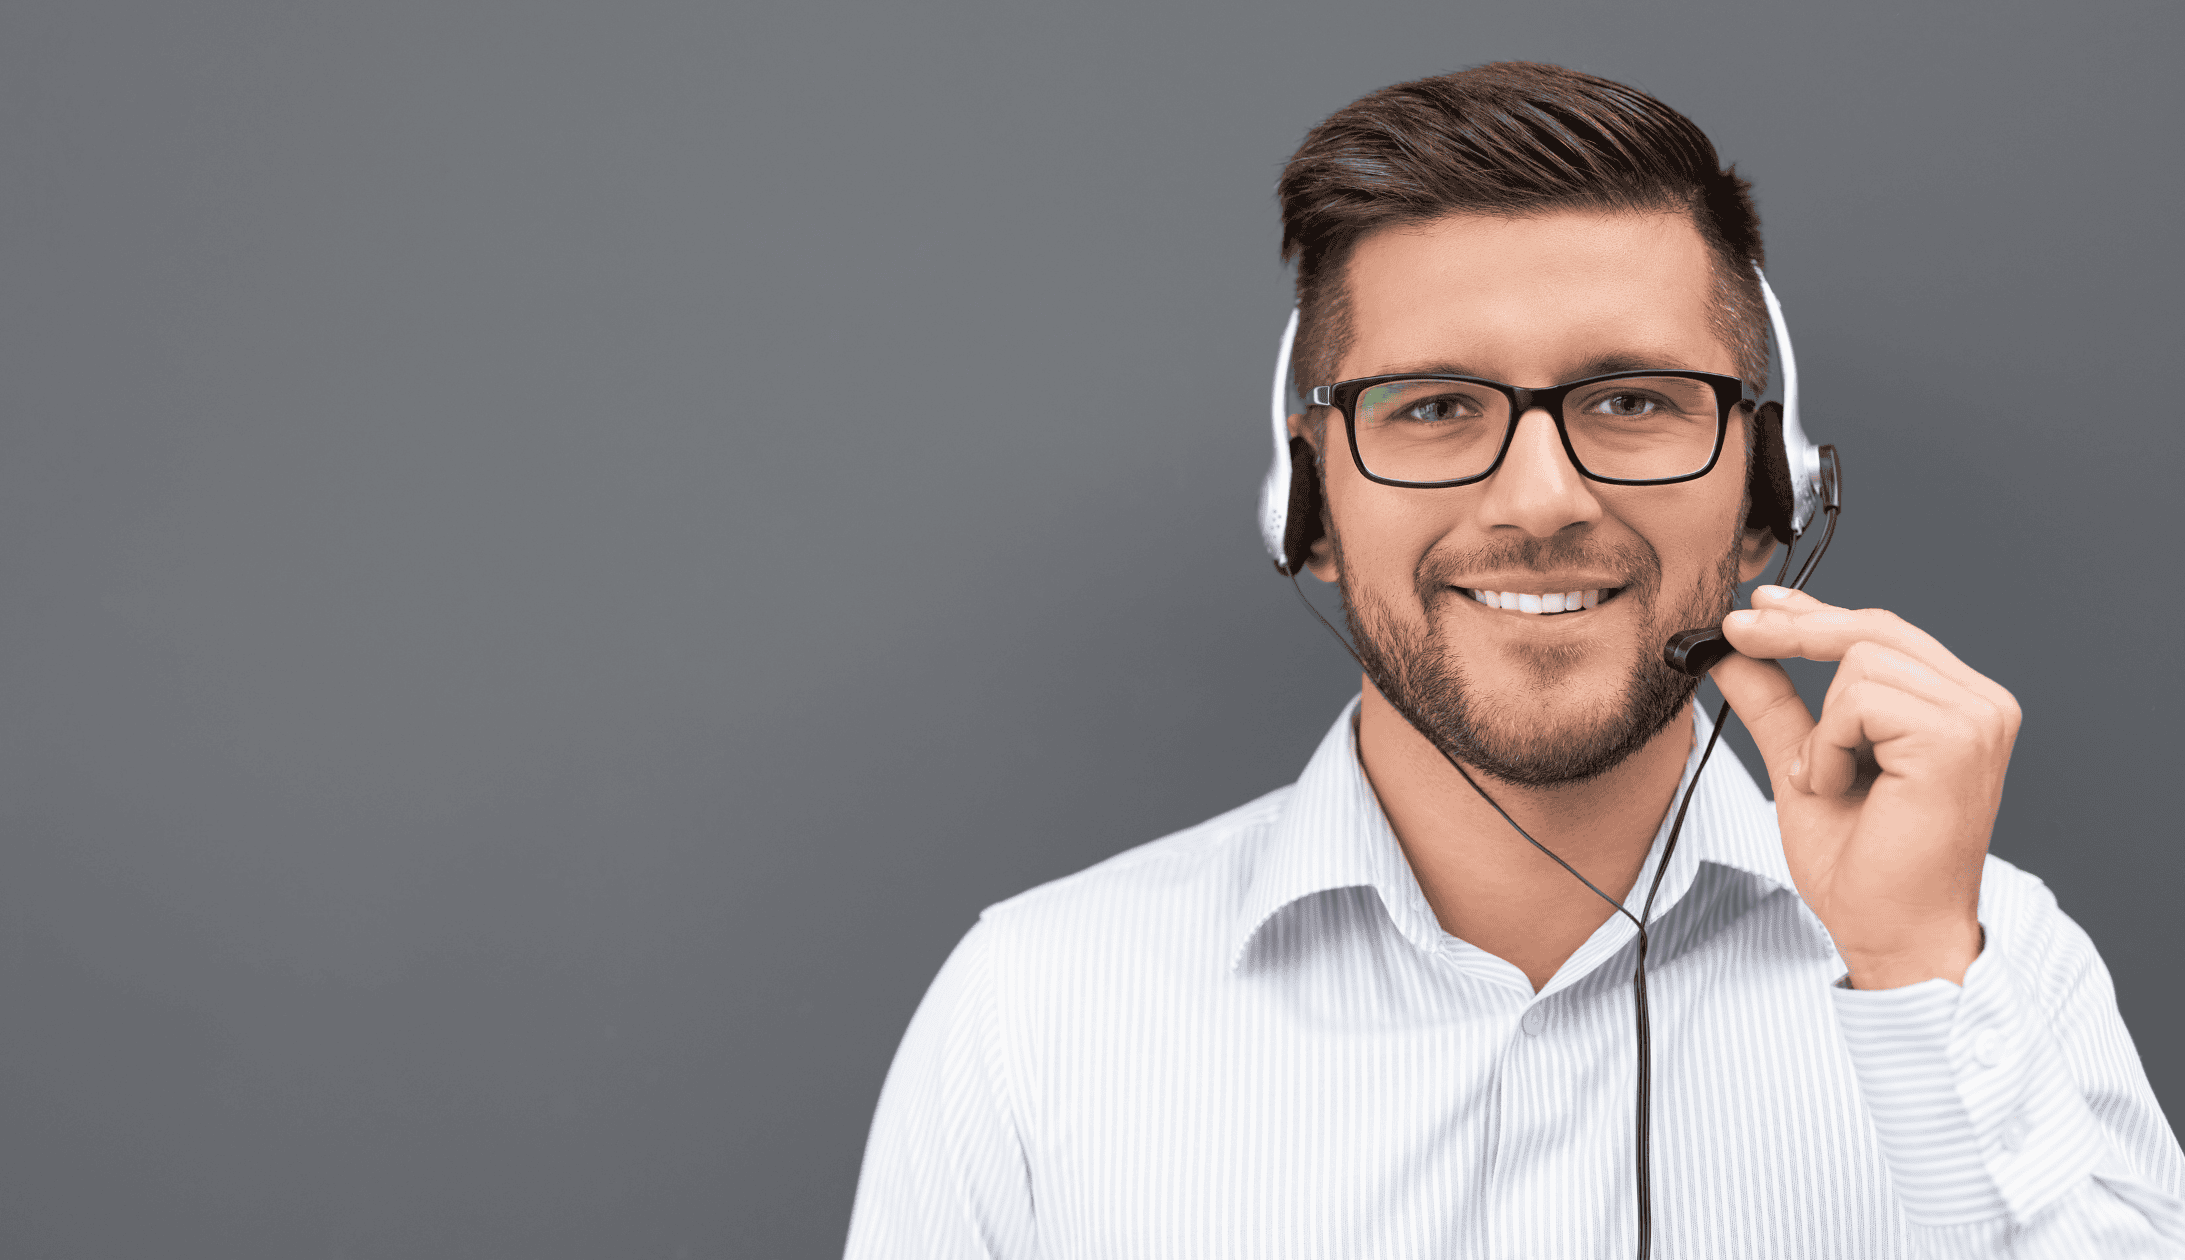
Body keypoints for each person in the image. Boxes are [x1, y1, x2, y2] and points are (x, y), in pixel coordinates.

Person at [841, 63, 2185, 1258]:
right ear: (1309, 507)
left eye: (1633, 401)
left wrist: (1916, 985)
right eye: (1431, 407)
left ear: (1770, 495)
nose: (1540, 500)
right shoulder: (1034, 1011)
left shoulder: (1994, 966)